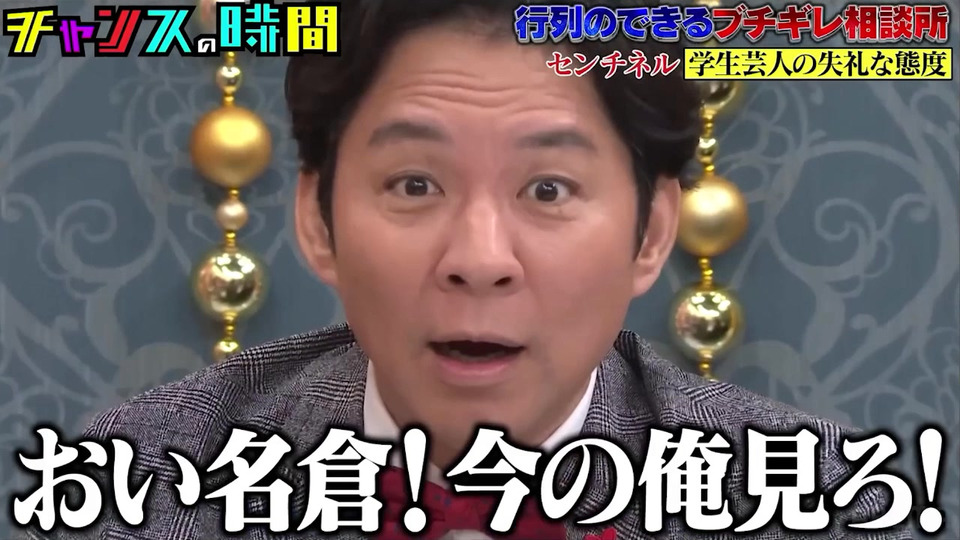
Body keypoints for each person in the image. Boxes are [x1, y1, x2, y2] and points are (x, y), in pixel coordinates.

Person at [15, 1, 911, 539]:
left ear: (651, 235)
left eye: (549, 189)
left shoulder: (818, 504)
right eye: (415, 184)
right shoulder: (142, 483)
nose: (479, 261)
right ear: (316, 221)